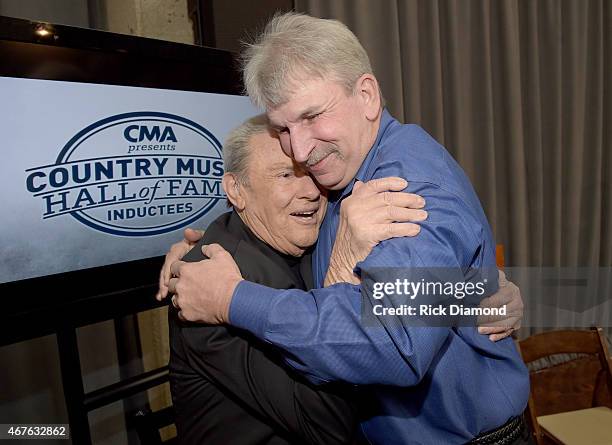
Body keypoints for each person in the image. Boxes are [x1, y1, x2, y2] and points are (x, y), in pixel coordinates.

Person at [160, 13, 530, 445]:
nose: (300, 150)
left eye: (313, 115)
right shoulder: (342, 176)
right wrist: (468, 295)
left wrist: (231, 299)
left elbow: (395, 347)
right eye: (283, 128)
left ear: (367, 95)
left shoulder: (403, 189)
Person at [169, 114, 427, 444]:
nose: (309, 191)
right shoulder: (205, 289)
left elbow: (402, 300)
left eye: (310, 173)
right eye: (286, 175)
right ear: (236, 189)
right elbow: (328, 425)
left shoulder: (310, 235)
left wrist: (480, 299)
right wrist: (342, 273)